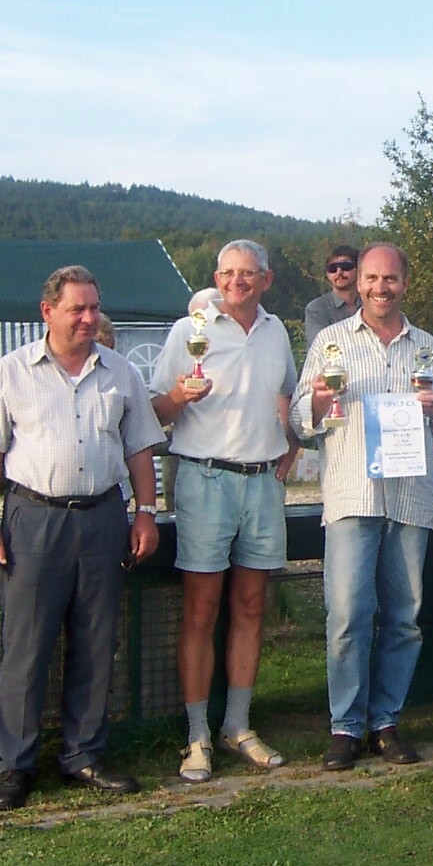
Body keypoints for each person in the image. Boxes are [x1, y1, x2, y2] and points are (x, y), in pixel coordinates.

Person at [0, 265, 165, 810]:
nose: (88, 317)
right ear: (47, 312)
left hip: (103, 517)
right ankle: (16, 765)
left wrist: (145, 513)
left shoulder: (121, 372)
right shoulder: (10, 372)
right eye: (77, 308)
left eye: (94, 307)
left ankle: (83, 755)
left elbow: (140, 451)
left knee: (96, 641)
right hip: (34, 519)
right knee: (26, 647)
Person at [291, 243, 433, 770]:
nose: (379, 287)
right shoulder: (330, 342)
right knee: (347, 616)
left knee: (404, 619)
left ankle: (386, 721)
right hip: (351, 495)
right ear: (356, 283)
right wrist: (318, 399)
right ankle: (345, 725)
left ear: (405, 282)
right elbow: (300, 420)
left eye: (389, 278)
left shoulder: (426, 347)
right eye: (370, 278)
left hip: (409, 498)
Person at [151, 241, 300, 784]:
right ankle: (196, 735)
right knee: (200, 611)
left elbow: (290, 399)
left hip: (261, 483)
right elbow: (154, 410)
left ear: (267, 278)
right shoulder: (189, 327)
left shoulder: (277, 331)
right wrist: (180, 398)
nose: (238, 282)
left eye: (249, 274)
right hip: (205, 477)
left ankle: (237, 726)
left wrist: (290, 450)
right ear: (217, 277)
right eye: (229, 273)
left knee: (252, 607)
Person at [303, 244, 361, 347]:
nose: (339, 272)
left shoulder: (370, 304)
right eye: (332, 268)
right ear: (328, 274)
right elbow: (321, 349)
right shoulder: (316, 309)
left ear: (359, 269)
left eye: (346, 266)